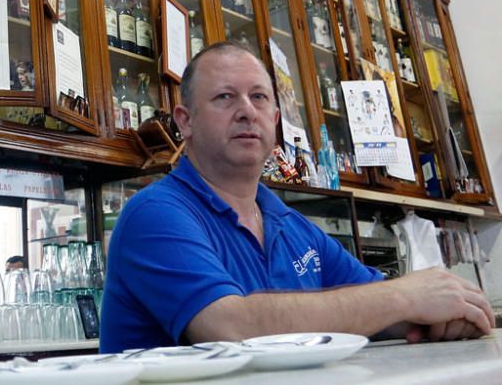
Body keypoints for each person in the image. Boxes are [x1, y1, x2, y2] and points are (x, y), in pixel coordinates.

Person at [100, 42, 494, 352]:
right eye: (224, 97)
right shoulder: (155, 213)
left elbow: (379, 307)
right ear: (185, 121)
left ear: (275, 120)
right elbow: (229, 327)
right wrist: (405, 296)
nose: (246, 111)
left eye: (259, 97)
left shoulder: (292, 225)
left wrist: (439, 313)